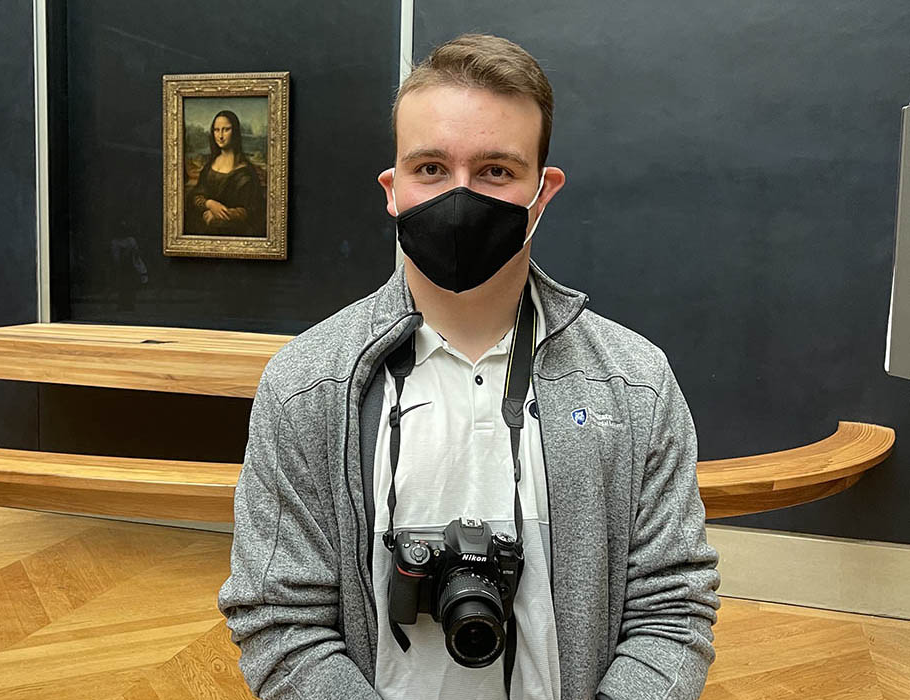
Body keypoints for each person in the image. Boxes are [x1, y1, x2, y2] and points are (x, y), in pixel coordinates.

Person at [219, 33, 720, 700]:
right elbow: (278, 620)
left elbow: (672, 607)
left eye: (495, 171)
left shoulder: (635, 383)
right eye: (430, 168)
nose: (460, 197)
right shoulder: (305, 387)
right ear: (392, 190)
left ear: (542, 193)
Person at [185, 109, 265, 237]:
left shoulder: (246, 172)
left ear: (235, 132)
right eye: (217, 130)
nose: (220, 136)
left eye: (226, 129)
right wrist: (209, 204)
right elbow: (195, 196)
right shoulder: (209, 166)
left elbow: (253, 210)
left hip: (236, 234)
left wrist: (221, 215)